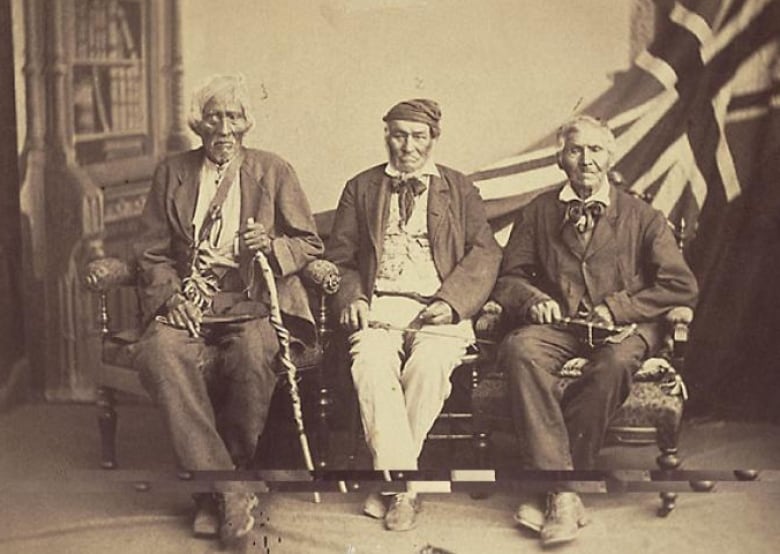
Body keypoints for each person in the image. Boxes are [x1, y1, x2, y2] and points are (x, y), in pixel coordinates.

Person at [131, 74, 323, 546]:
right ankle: (233, 491)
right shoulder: (172, 171)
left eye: (233, 117)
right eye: (214, 116)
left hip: (252, 300)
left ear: (246, 124)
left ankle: (213, 493)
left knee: (254, 355)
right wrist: (171, 297)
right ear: (199, 124)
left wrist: (273, 245)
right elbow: (150, 251)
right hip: (190, 300)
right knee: (158, 352)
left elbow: (310, 243)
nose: (224, 127)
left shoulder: (273, 170)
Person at [490, 115, 698, 546]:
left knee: (615, 363)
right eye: (576, 150)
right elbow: (509, 277)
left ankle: (551, 489)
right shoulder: (539, 211)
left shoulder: (642, 215)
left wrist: (618, 307)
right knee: (519, 350)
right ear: (560, 158)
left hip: (627, 327)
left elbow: (680, 284)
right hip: (563, 326)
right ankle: (565, 494)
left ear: (611, 155)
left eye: (596, 150)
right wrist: (533, 300)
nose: (586, 160)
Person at [327, 99, 501, 531]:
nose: (408, 146)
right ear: (387, 135)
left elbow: (485, 252)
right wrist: (353, 297)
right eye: (399, 135)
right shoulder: (361, 187)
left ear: (433, 139)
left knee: (429, 365)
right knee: (368, 364)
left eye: (418, 136)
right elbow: (341, 257)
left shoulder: (459, 189)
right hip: (381, 303)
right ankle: (405, 487)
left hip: (439, 307)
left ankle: (388, 482)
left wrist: (453, 301)